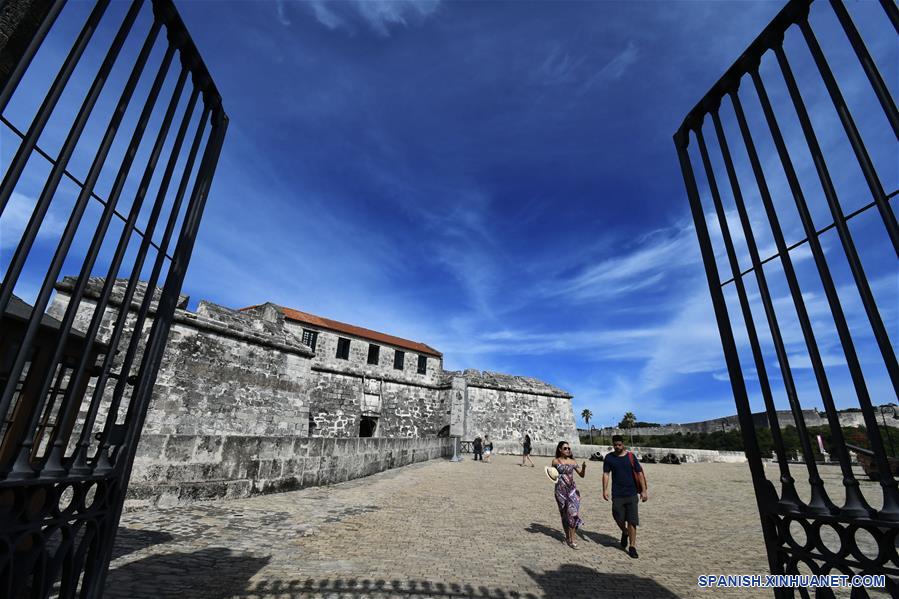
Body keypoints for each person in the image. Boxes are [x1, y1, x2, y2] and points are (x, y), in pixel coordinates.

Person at [602, 435, 648, 558]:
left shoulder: (631, 457)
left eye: (619, 445)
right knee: (617, 515)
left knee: (632, 521)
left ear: (623, 444)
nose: (617, 447)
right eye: (615, 445)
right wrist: (604, 489)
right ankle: (624, 531)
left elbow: (639, 474)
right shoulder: (609, 458)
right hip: (617, 493)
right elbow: (606, 474)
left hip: (631, 493)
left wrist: (643, 491)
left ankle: (632, 546)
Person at [552, 440, 586, 549]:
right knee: (564, 515)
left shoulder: (573, 462)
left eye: (569, 448)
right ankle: (567, 536)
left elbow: (581, 475)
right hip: (560, 491)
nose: (568, 450)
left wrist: (584, 468)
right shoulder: (555, 461)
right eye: (565, 448)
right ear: (560, 450)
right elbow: (552, 475)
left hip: (572, 490)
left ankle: (573, 538)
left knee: (573, 513)